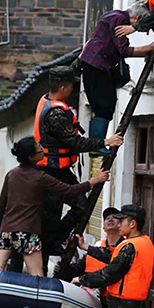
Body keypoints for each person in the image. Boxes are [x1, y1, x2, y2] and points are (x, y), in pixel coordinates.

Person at [34, 66, 123, 258]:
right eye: (72, 86)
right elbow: (74, 141)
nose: (74, 90)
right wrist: (105, 141)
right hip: (52, 171)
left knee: (79, 206)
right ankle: (51, 247)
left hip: (60, 169)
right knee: (53, 214)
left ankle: (56, 242)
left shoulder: (46, 100)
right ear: (63, 88)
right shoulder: (56, 114)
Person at [0, 137, 110, 276]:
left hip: (5, 232)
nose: (42, 148)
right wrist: (94, 181)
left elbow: (1, 206)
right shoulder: (40, 177)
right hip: (27, 233)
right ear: (31, 157)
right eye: (38, 147)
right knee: (37, 276)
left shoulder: (11, 175)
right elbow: (69, 190)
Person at [79, 4, 154, 143]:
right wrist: (150, 47)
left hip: (94, 63)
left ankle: (96, 143)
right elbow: (124, 50)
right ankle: (96, 143)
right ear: (138, 18)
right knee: (105, 105)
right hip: (97, 64)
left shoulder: (113, 15)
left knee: (104, 104)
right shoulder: (119, 21)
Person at [73, 204, 154, 308]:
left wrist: (80, 280)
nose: (118, 225)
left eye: (121, 221)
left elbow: (109, 274)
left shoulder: (130, 247)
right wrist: (86, 247)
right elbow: (111, 255)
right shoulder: (144, 243)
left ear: (132, 224)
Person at [56, 207, 125, 281]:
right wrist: (63, 269)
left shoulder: (127, 246)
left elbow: (113, 258)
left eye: (114, 217)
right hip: (89, 290)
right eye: (107, 218)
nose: (110, 219)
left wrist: (84, 246)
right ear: (103, 228)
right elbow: (79, 268)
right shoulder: (97, 245)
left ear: (121, 225)